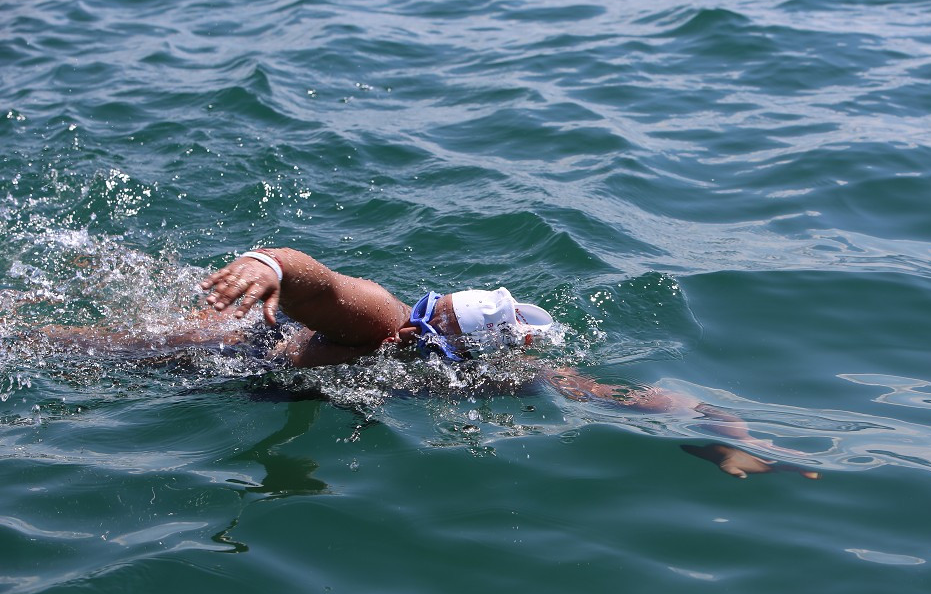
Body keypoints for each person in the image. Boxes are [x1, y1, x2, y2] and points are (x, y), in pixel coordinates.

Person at [196, 248, 818, 479]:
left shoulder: (487, 377)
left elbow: (624, 397)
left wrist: (727, 431)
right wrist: (268, 266)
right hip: (212, 354)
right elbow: (321, 282)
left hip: (250, 387)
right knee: (106, 348)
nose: (416, 342)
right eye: (424, 335)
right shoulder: (386, 323)